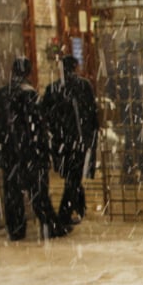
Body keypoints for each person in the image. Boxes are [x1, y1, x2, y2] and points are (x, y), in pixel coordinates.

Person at [0, 57, 64, 242]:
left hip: (8, 153)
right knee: (38, 192)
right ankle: (49, 226)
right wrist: (44, 150)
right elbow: (40, 125)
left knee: (12, 193)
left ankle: (15, 229)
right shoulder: (30, 96)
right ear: (28, 73)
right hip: (30, 152)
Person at [42, 54, 99, 228]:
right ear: (75, 67)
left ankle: (79, 208)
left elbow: (45, 116)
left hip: (61, 142)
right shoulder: (84, 86)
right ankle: (64, 215)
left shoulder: (53, 89)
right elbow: (92, 113)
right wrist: (92, 135)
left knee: (71, 176)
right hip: (79, 140)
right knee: (73, 178)